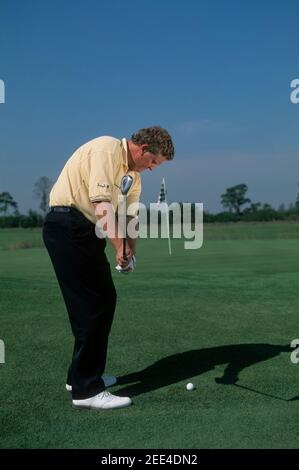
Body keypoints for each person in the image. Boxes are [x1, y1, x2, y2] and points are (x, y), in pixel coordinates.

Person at [42, 126, 175, 410]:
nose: (152, 168)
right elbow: (101, 205)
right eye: (153, 161)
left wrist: (128, 254)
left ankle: (80, 376)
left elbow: (130, 218)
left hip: (87, 232)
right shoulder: (106, 148)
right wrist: (119, 247)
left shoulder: (133, 176)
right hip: (68, 226)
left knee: (104, 300)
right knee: (90, 306)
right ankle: (86, 390)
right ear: (141, 148)